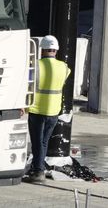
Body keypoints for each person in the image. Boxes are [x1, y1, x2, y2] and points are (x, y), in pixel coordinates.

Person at [24, 35, 70, 183]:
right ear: (56, 50)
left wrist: (23, 105)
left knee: (37, 142)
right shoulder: (64, 67)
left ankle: (38, 172)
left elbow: (27, 84)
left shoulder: (35, 66)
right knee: (43, 142)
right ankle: (37, 168)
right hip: (53, 111)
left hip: (37, 110)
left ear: (42, 49)